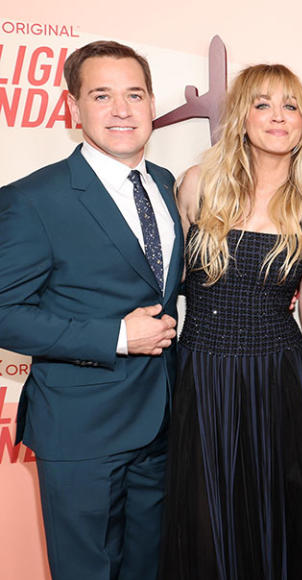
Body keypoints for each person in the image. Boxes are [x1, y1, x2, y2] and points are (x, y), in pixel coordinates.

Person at [0, 41, 181, 580]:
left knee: (149, 569)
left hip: (162, 423)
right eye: (102, 95)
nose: (121, 110)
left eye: (134, 95)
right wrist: (116, 337)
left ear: (152, 105)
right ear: (74, 108)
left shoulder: (167, 186)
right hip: (81, 430)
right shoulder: (33, 199)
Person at [160, 64, 302, 580]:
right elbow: (167, 288)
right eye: (263, 104)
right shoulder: (198, 186)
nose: (278, 117)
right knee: (205, 514)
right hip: (202, 374)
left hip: (279, 379)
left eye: (290, 106)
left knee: (277, 515)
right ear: (241, 117)